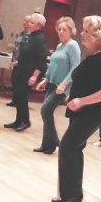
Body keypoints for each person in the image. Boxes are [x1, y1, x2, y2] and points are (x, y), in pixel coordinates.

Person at [52, 15, 101, 202]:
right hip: (82, 111)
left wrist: (81, 101)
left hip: (92, 113)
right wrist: (72, 97)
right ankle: (72, 195)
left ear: (97, 36)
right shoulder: (93, 57)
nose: (82, 34)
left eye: (86, 31)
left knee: (67, 147)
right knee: (74, 148)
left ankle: (70, 195)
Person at [34, 17, 81, 155]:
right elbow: (53, 66)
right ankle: (48, 144)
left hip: (63, 86)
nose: (61, 32)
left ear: (71, 31)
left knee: (45, 111)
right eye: (59, 29)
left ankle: (53, 142)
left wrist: (65, 84)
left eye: (64, 30)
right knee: (46, 112)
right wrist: (45, 80)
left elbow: (75, 67)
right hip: (52, 84)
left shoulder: (73, 46)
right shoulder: (60, 45)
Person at [4, 13, 48, 132]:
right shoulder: (31, 36)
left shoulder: (40, 39)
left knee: (21, 95)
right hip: (21, 69)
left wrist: (34, 77)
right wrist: (17, 63)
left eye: (32, 22)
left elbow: (41, 60)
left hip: (29, 73)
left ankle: (25, 121)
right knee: (17, 95)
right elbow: (27, 55)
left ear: (39, 25)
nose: (29, 24)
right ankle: (18, 120)